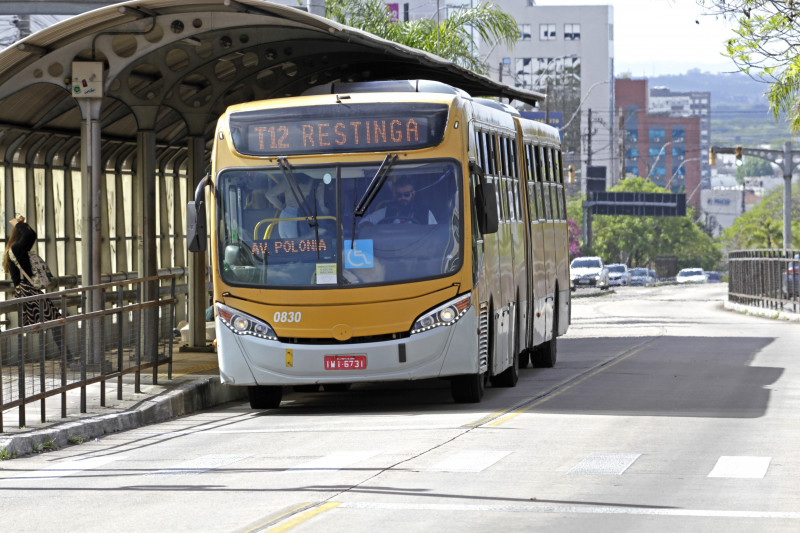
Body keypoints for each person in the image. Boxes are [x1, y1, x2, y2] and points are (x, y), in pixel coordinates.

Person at [3, 216, 73, 364]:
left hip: (27, 291)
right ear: (20, 234)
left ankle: (67, 357)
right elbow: (31, 235)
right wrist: (17, 223)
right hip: (28, 291)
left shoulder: (16, 250)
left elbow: (31, 235)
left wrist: (21, 225)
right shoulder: (17, 249)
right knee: (54, 321)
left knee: (53, 322)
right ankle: (67, 358)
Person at [362, 175, 437, 225]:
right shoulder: (386, 212)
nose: (402, 198)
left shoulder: (426, 214)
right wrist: (376, 231)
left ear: (413, 194)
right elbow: (363, 222)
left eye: (406, 194)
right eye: (399, 195)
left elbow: (435, 232)